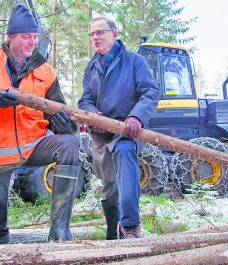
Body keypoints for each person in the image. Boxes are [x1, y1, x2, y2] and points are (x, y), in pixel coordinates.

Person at [0, 5, 80, 244]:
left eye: (35, 37)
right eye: (26, 37)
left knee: (69, 144)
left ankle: (60, 231)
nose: (32, 42)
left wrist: (63, 125)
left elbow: (58, 112)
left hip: (33, 145)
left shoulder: (47, 72)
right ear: (10, 37)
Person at [78, 16, 159, 239]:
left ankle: (131, 227)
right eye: (92, 34)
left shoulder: (135, 62)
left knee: (124, 155)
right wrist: (91, 113)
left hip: (127, 132)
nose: (95, 37)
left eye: (100, 32)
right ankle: (113, 232)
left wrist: (136, 117)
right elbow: (85, 100)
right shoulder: (91, 67)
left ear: (114, 34)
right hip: (101, 135)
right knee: (110, 187)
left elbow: (150, 93)